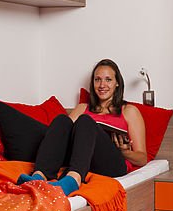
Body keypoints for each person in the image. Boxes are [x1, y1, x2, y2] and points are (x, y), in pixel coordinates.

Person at [17, 59, 148, 195]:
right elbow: (63, 139)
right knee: (62, 120)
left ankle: (73, 180)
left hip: (112, 164)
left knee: (85, 121)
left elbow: (143, 158)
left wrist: (124, 152)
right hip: (84, 161)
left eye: (108, 80)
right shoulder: (82, 108)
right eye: (97, 80)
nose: (102, 85)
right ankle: (39, 176)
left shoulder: (129, 111)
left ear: (117, 84)